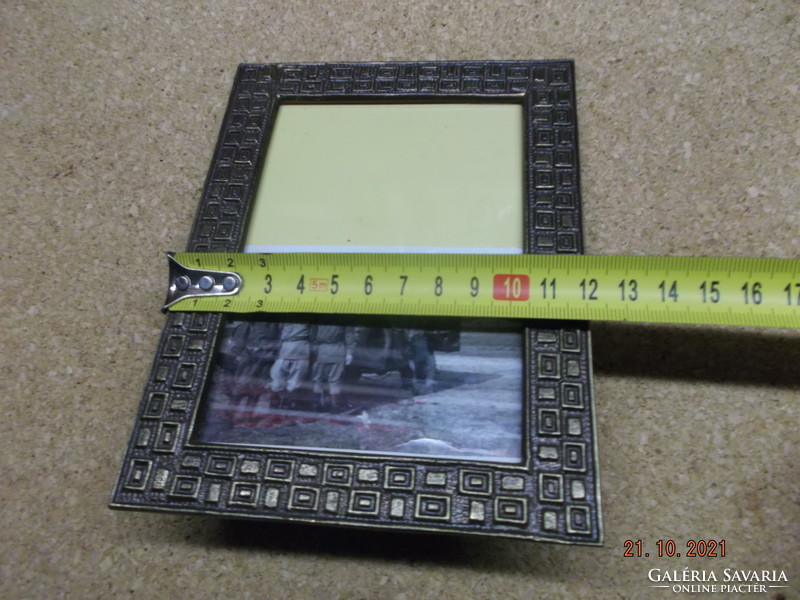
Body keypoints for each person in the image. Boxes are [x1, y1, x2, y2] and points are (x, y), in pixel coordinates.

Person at [268, 322, 311, 408]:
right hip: (285, 345)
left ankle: (287, 404)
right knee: (277, 376)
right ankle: (275, 404)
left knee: (295, 380)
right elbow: (278, 330)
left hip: (301, 345)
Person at [310, 325, 354, 409]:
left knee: (317, 379)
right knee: (335, 380)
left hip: (321, 351)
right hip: (337, 351)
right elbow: (349, 337)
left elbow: (313, 336)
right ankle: (334, 405)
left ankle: (316, 404)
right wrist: (349, 353)